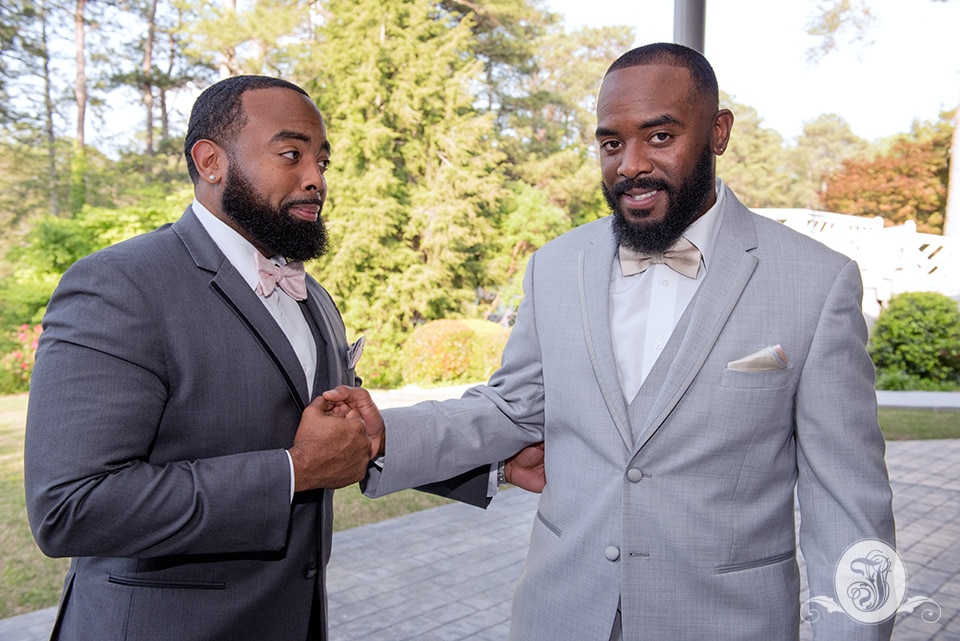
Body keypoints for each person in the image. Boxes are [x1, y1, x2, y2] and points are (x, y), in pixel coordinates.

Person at [325, 43, 897, 640]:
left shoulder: (816, 281)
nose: (629, 165)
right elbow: (511, 408)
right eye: (610, 143)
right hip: (561, 616)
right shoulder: (556, 265)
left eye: (659, 137)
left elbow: (851, 513)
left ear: (718, 132)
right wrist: (383, 434)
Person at [23, 75, 491, 641]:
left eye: (323, 161)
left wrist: (493, 465)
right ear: (210, 161)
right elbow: (71, 507)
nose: (316, 179)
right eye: (291, 155)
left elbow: (346, 438)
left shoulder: (313, 296)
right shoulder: (119, 284)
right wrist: (292, 472)